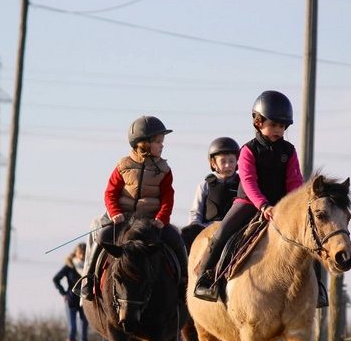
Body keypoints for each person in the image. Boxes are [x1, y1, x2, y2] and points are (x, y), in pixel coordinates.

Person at [193, 90, 328, 307]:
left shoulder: (289, 150)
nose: (278, 130)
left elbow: (295, 181)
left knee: (312, 236)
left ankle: (318, 288)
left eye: (283, 126)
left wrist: (293, 205)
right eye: (274, 125)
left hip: (281, 206)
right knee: (222, 233)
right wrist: (263, 205)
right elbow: (248, 181)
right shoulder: (248, 150)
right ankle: (207, 280)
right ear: (258, 122)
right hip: (249, 203)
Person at [80, 115, 187, 301]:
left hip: (151, 222)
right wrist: (115, 213)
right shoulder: (123, 166)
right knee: (102, 237)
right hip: (124, 220)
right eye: (159, 142)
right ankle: (89, 279)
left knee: (176, 238)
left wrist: (162, 219)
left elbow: (168, 198)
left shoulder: (164, 170)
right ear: (143, 144)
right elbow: (110, 193)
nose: (162, 146)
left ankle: (185, 281)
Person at [183, 136, 241, 250]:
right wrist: (196, 229)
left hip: (236, 231)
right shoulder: (205, 185)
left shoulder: (242, 184)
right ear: (213, 164)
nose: (228, 165)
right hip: (209, 232)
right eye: (223, 161)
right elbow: (196, 212)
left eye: (231, 161)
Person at [52, 243, 89, 341]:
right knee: (72, 329)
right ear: (76, 253)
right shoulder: (70, 266)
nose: (82, 256)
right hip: (71, 300)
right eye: (80, 253)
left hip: (85, 302)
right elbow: (56, 279)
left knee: (83, 331)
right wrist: (63, 293)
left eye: (85, 254)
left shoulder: (89, 267)